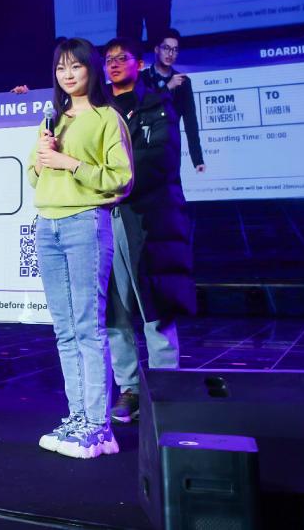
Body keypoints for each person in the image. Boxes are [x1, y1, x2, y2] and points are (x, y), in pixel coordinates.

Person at [29, 38, 133, 459]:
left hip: (86, 221)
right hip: (46, 224)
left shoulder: (107, 118)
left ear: (91, 69)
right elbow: (35, 177)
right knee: (64, 328)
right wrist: (43, 159)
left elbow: (121, 179)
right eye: (60, 68)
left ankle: (99, 427)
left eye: (75, 66)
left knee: (88, 327)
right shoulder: (51, 120)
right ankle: (77, 417)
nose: (67, 75)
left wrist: (70, 163)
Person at [100, 38, 195, 424]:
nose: (114, 64)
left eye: (122, 58)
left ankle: (164, 389)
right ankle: (129, 389)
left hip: (149, 217)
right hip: (107, 217)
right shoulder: (98, 108)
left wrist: (105, 176)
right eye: (108, 60)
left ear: (138, 64)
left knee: (156, 306)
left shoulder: (157, 103)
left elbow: (159, 158)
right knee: (115, 309)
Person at [140, 29, 205, 173]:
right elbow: (143, 108)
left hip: (171, 147)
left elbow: (190, 122)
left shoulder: (183, 82)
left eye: (175, 50)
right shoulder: (142, 78)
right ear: (156, 49)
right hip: (144, 147)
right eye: (166, 48)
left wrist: (198, 159)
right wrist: (168, 87)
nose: (170, 54)